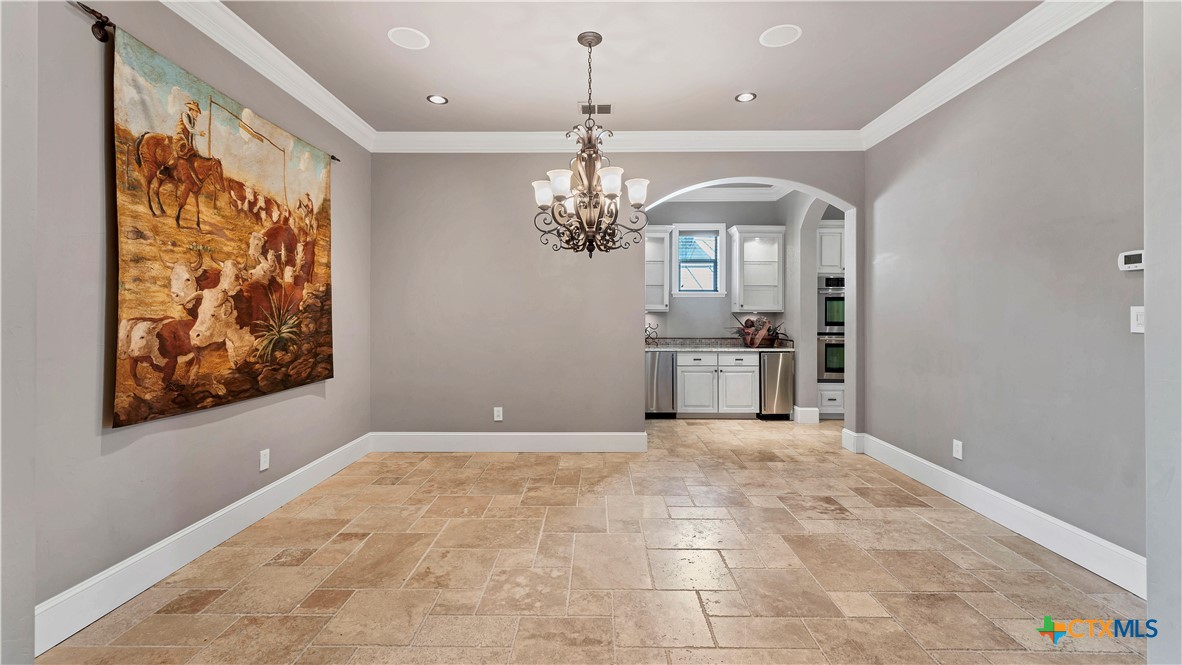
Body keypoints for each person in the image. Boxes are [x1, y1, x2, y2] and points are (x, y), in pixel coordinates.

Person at [164, 100, 205, 175]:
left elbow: (192, 136)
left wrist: (194, 148)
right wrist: (199, 133)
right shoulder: (185, 114)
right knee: (177, 150)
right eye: (196, 112)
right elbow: (189, 128)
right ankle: (166, 168)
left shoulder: (193, 121)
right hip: (180, 136)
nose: (197, 114)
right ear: (192, 110)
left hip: (186, 140)